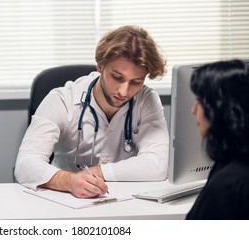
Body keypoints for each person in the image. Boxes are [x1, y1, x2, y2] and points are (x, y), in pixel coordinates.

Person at [15, 25, 169, 198]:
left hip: (123, 200)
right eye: (117, 77)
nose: (124, 92)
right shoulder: (62, 99)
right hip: (65, 200)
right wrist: (68, 181)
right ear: (100, 66)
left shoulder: (146, 99)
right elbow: (25, 164)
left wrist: (98, 172)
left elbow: (158, 164)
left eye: (135, 82)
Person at [186, 59, 249, 219]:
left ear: (218, 108)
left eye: (199, 101)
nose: (193, 110)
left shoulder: (227, 185)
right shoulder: (228, 164)